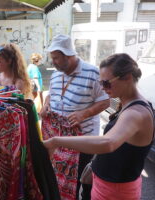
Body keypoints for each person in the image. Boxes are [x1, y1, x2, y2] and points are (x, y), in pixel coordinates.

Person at [43, 53, 155, 200]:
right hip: (108, 186)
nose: (102, 88)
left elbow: (108, 143)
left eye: (106, 83)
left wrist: (56, 141)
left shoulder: (136, 113)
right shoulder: (129, 103)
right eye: (101, 83)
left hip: (115, 191)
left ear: (127, 77)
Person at [40, 34, 109, 200]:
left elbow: (105, 101)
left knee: (81, 181)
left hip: (83, 140)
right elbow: (52, 94)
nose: (53, 62)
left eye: (56, 58)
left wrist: (83, 114)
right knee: (59, 180)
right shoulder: (56, 74)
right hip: (60, 139)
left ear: (68, 55)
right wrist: (45, 105)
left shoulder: (93, 73)